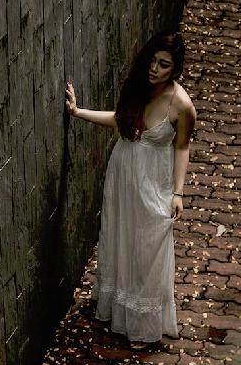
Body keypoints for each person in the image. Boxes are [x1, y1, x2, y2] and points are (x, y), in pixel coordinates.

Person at [65, 31, 196, 346]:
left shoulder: (182, 105)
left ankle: (144, 319)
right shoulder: (140, 87)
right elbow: (122, 120)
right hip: (123, 173)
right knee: (122, 236)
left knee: (148, 246)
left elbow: (182, 147)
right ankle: (119, 308)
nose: (154, 69)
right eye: (152, 61)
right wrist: (78, 112)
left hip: (153, 180)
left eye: (163, 64)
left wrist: (177, 193)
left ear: (175, 69)